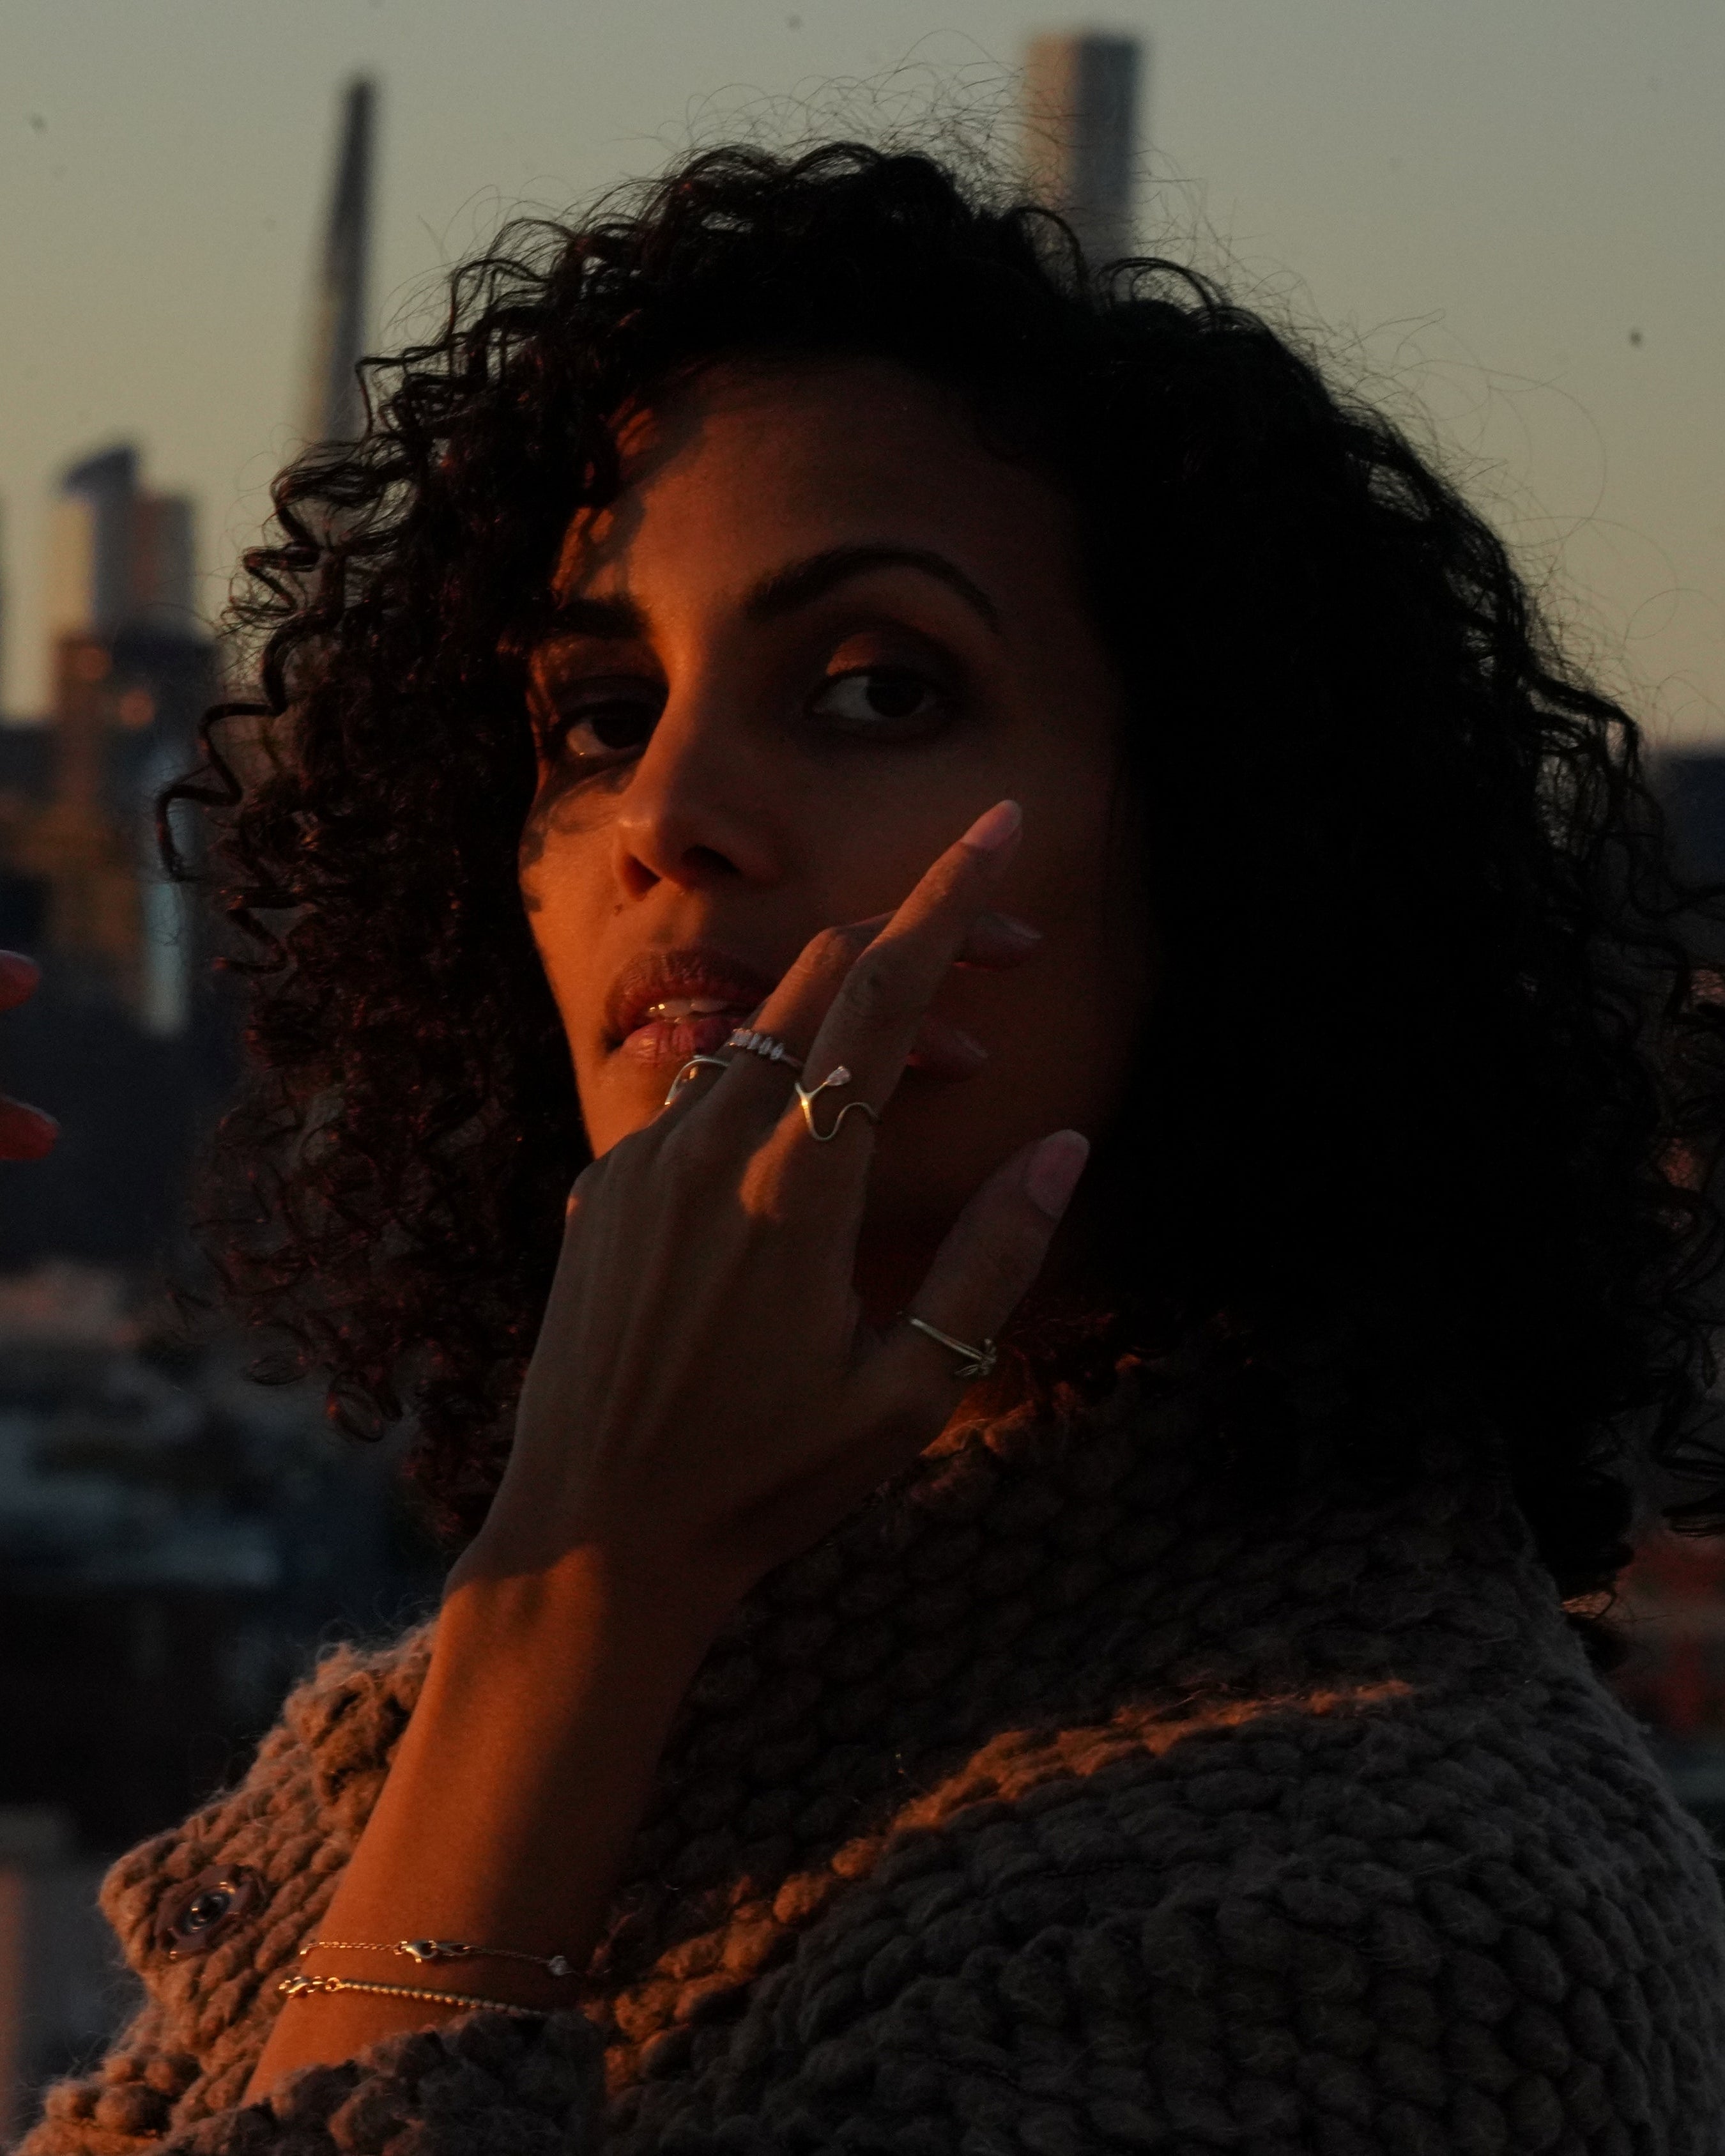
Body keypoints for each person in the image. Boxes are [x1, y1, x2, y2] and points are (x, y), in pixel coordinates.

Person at [18, 141, 1725, 2153]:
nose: (670, 809)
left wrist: (561, 1628)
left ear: (1236, 848)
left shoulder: (1384, 1909)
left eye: (873, 688)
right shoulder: (462, 1747)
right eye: (590, 716)